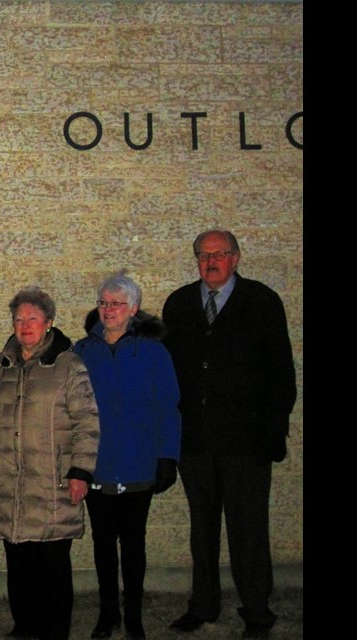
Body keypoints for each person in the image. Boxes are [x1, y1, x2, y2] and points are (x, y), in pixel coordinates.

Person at [162, 230, 297, 639]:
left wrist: (270, 434)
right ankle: (203, 604)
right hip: (196, 442)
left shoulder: (262, 301)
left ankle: (257, 611)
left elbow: (282, 375)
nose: (211, 262)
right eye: (203, 255)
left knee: (248, 530)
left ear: (236, 258)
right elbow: (168, 374)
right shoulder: (180, 303)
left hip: (246, 443)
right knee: (202, 530)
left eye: (220, 254)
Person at [0, 286, 99, 640]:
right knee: (18, 563)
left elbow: (87, 422)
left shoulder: (68, 365)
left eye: (33, 318)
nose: (25, 325)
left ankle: (54, 630)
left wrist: (80, 472)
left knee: (52, 565)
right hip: (11, 486)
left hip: (53, 483)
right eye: (19, 318)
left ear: (49, 322)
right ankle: (25, 626)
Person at [73, 274, 182, 640]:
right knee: (103, 543)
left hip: (138, 463)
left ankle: (133, 614)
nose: (109, 310)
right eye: (103, 302)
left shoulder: (153, 351)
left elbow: (169, 407)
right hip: (96, 464)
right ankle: (108, 614)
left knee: (133, 544)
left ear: (133, 309)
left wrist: (167, 456)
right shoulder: (82, 351)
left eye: (117, 303)